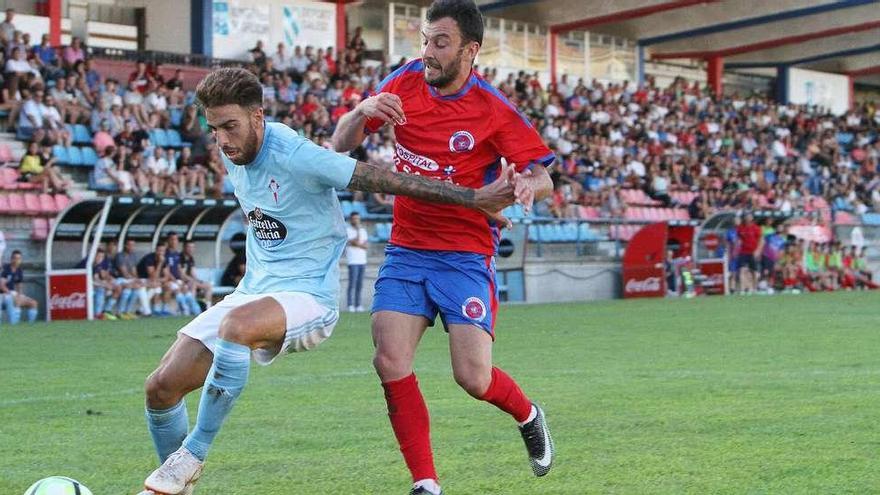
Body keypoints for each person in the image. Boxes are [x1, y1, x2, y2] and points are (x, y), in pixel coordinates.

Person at [136, 67, 517, 495]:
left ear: (258, 117)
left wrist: (472, 197)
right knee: (161, 387)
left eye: (230, 126)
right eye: (215, 128)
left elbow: (384, 179)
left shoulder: (296, 154)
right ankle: (178, 488)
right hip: (253, 292)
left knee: (235, 328)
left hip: (308, 298)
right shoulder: (233, 150)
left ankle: (192, 456)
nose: (223, 139)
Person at [331, 2, 556, 493]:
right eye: (426, 40)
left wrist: (525, 189)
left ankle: (528, 414)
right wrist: (361, 110)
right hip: (407, 248)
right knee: (389, 359)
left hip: (465, 254)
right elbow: (339, 145)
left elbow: (544, 176)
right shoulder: (403, 81)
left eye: (441, 43)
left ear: (470, 50)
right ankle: (426, 483)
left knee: (473, 378)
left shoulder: (494, 110)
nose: (428, 53)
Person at [0, 250, 38, 324]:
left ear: (21, 260)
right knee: (16, 301)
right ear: (11, 259)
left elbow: (19, 286)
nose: (16, 260)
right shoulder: (5, 269)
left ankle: (31, 325)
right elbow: (1, 286)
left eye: (19, 258)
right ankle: (15, 324)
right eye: (15, 258)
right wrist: (12, 294)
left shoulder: (19, 270)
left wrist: (20, 295)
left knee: (33, 303)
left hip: (13, 293)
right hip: (3, 294)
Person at [345, 212, 368, 312]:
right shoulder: (348, 230)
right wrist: (358, 232)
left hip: (362, 261)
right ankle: (350, 305)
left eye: (358, 218)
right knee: (352, 284)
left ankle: (358, 305)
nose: (356, 220)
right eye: (354, 218)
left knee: (359, 284)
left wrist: (358, 244)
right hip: (352, 261)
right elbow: (353, 242)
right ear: (351, 220)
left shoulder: (364, 231)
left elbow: (366, 245)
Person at [736, 212, 762, 294]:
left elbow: (761, 240)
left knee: (754, 271)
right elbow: (738, 240)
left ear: (752, 218)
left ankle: (754, 289)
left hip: (753, 252)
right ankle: (742, 290)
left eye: (749, 216)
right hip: (743, 252)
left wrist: (758, 251)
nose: (748, 218)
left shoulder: (756, 228)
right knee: (741, 270)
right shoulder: (740, 228)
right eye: (746, 216)